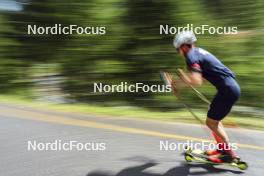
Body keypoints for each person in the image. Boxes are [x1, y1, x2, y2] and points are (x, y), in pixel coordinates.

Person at [173, 31, 241, 163]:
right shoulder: (199, 52)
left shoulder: (191, 56)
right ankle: (222, 150)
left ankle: (228, 153)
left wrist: (179, 84)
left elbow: (197, 81)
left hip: (227, 90)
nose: (179, 52)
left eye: (178, 49)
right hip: (230, 88)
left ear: (185, 46)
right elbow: (201, 79)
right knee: (215, 120)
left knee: (210, 122)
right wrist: (180, 82)